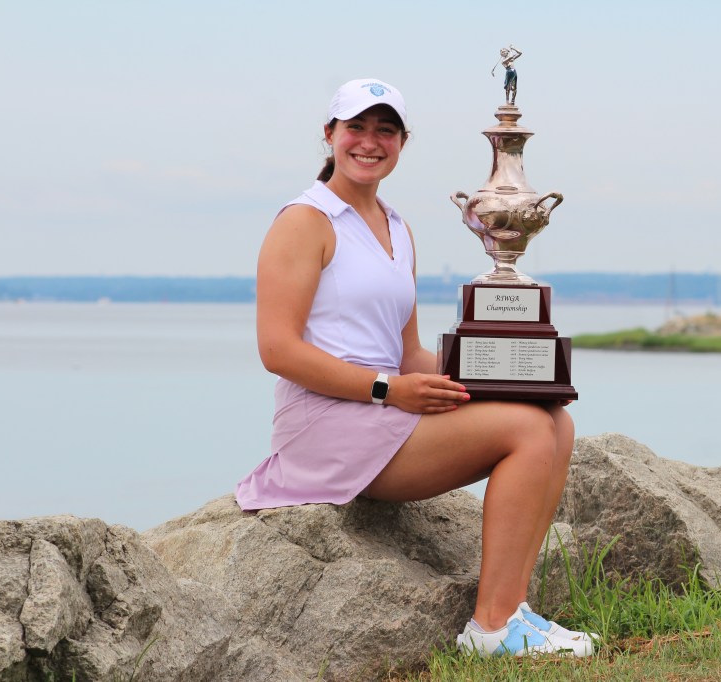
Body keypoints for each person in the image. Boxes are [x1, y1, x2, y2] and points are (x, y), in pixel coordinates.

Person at [235, 78, 593, 657]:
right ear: (329, 134)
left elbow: (409, 355)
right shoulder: (305, 220)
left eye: (385, 130)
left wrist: (517, 376)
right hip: (327, 423)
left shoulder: (395, 226)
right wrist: (387, 390)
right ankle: (491, 629)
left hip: (382, 410)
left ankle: (513, 609)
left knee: (553, 420)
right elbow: (278, 349)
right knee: (527, 431)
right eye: (355, 127)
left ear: (403, 142)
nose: (369, 141)